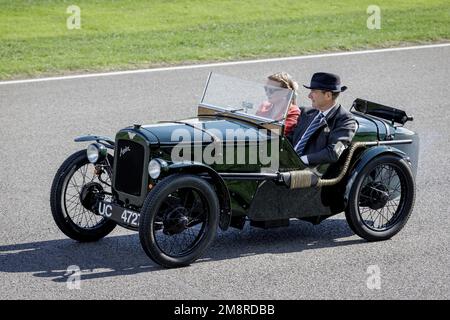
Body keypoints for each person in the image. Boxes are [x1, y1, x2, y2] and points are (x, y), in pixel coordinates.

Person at [288, 72, 356, 166]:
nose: (309, 96)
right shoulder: (305, 112)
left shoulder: (345, 120)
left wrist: (301, 160)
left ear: (328, 95)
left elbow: (333, 152)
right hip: (287, 164)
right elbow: (289, 139)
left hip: (308, 171)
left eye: (314, 92)